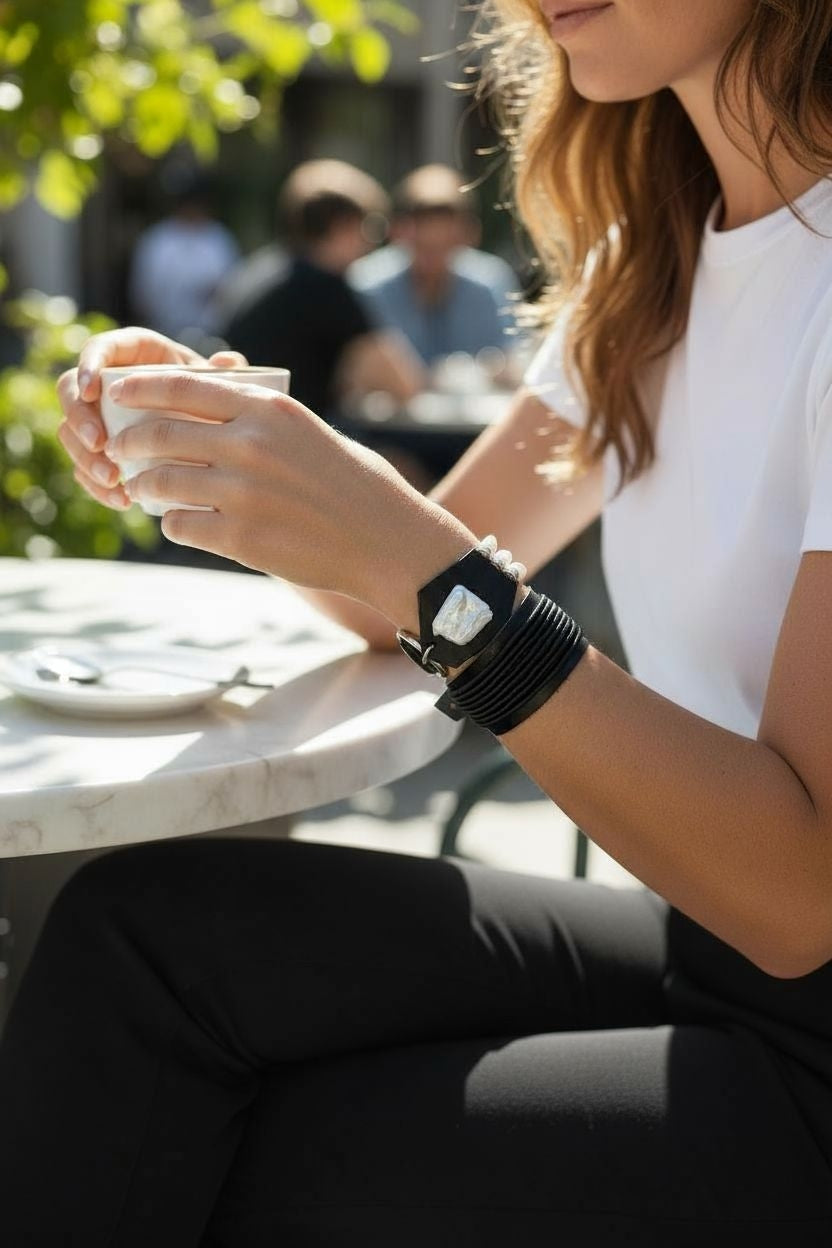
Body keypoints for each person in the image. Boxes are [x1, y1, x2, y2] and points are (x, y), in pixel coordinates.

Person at [5, 1, 832, 1243]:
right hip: (700, 939)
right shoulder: (652, 267)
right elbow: (396, 597)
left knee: (228, 1141)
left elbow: (800, 896)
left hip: (806, 1033)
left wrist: (418, 563)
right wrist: (225, 453)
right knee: (140, 940)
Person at [218, 159, 425, 418]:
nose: (371, 244)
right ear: (342, 226)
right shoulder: (326, 286)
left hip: (241, 422)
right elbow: (404, 384)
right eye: (370, 227)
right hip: (284, 431)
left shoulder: (257, 272)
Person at [349, 163, 509, 366]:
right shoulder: (366, 285)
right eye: (423, 245)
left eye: (443, 244)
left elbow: (510, 356)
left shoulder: (490, 281)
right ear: (397, 231)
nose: (433, 241)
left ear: (470, 233)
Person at [128, 170, 240, 344]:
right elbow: (142, 297)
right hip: (163, 335)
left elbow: (234, 290)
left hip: (213, 337)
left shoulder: (219, 239)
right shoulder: (157, 240)